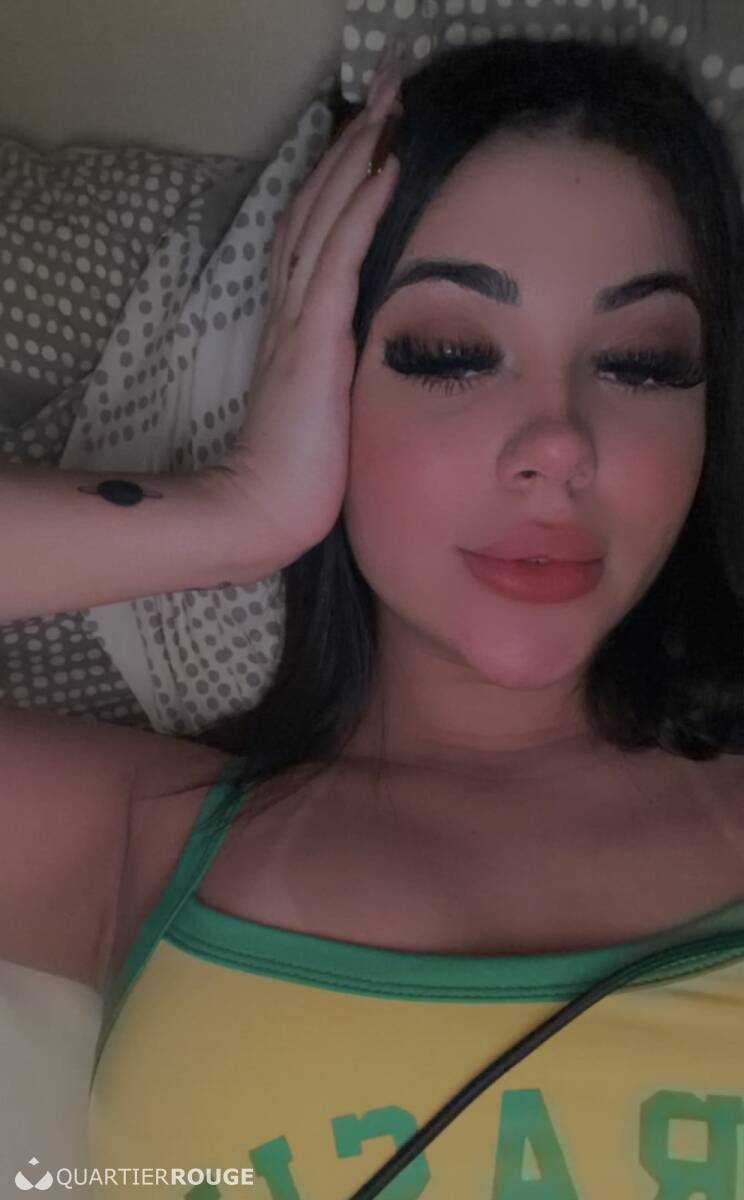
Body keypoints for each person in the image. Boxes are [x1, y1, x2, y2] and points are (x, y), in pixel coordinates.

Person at [2, 33, 744, 1199]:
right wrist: (241, 511)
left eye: (642, 364)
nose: (559, 443)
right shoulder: (134, 847)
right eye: (450, 354)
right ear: (322, 385)